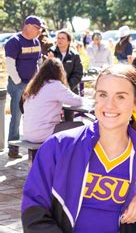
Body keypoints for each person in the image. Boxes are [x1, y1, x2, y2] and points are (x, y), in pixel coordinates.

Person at [21, 65, 136, 233]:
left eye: (120, 96)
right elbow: (33, 214)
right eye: (103, 95)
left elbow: (128, 182)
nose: (109, 105)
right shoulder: (58, 147)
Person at [5, 15, 44, 158]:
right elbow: (10, 65)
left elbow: (38, 63)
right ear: (28, 25)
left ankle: (32, 146)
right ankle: (13, 148)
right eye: (37, 28)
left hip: (33, 84)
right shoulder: (14, 42)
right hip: (18, 85)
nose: (39, 31)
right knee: (16, 116)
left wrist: (38, 80)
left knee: (33, 116)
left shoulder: (36, 42)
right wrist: (19, 83)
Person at [21, 58, 84, 143]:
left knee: (65, 126)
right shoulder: (54, 85)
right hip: (42, 134)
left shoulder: (34, 86)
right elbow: (77, 101)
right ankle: (71, 155)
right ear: (59, 72)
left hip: (27, 133)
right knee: (80, 126)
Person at [50, 29, 84, 95]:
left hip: (71, 91)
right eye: (58, 38)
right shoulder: (51, 52)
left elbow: (78, 74)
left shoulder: (75, 55)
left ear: (68, 41)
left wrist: (68, 86)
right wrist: (50, 62)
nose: (60, 40)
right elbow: (45, 73)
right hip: (53, 91)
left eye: (63, 38)